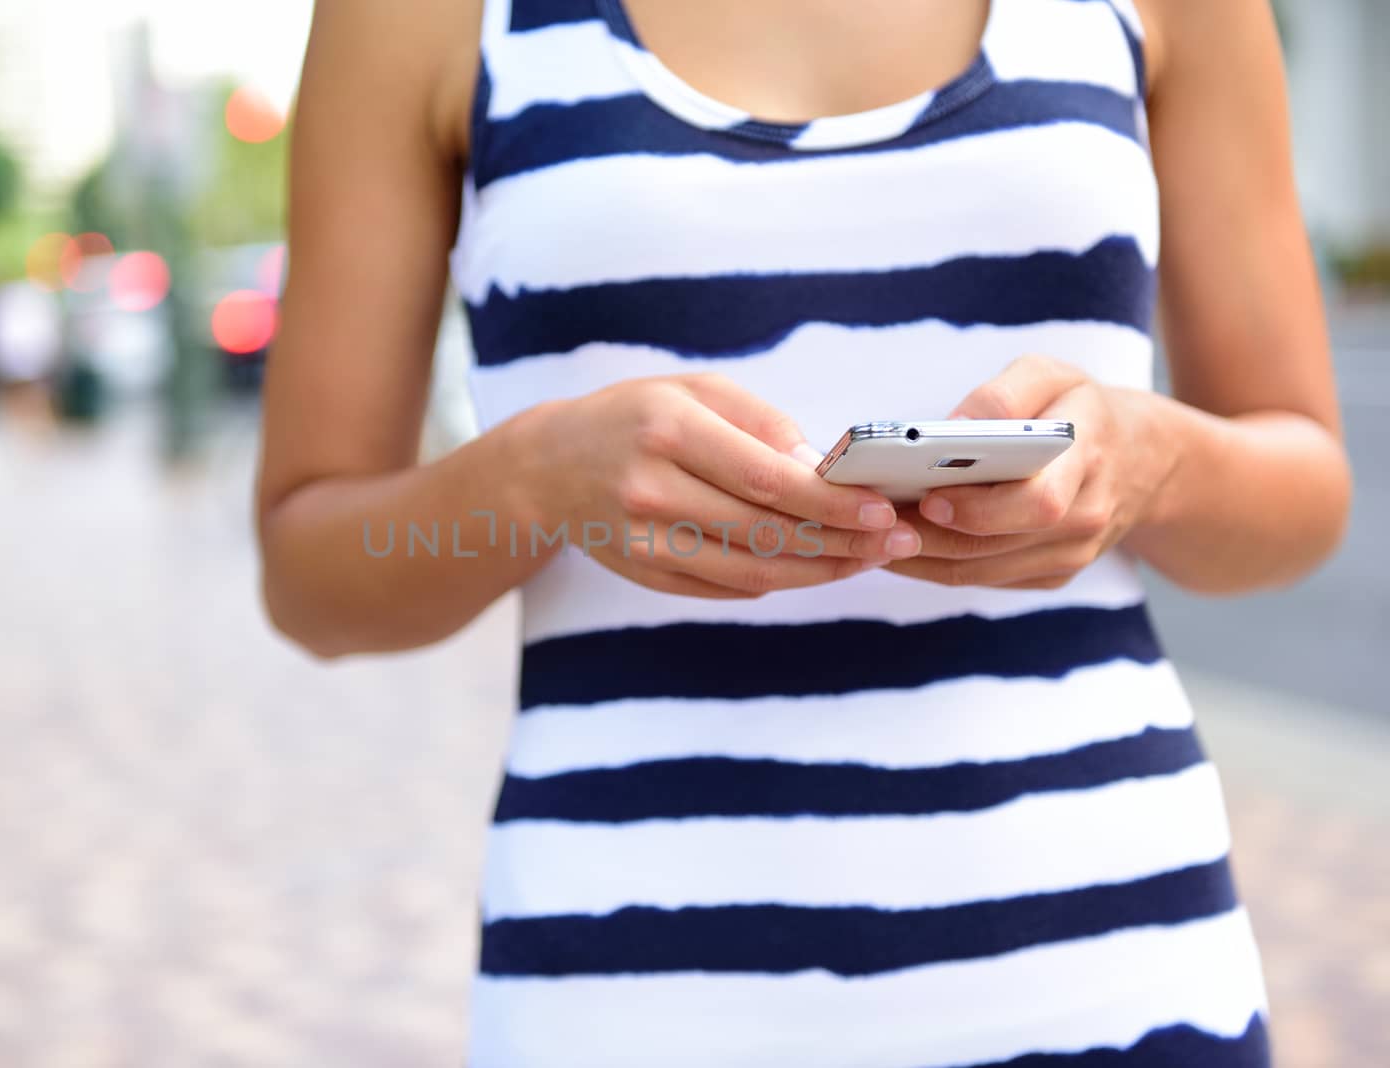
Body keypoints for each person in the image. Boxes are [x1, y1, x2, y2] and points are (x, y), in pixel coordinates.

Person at [256, 0, 1351, 1063]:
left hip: (1114, 969)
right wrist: (527, 484)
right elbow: (311, 576)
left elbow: (1302, 497)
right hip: (635, 992)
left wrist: (1147, 464)